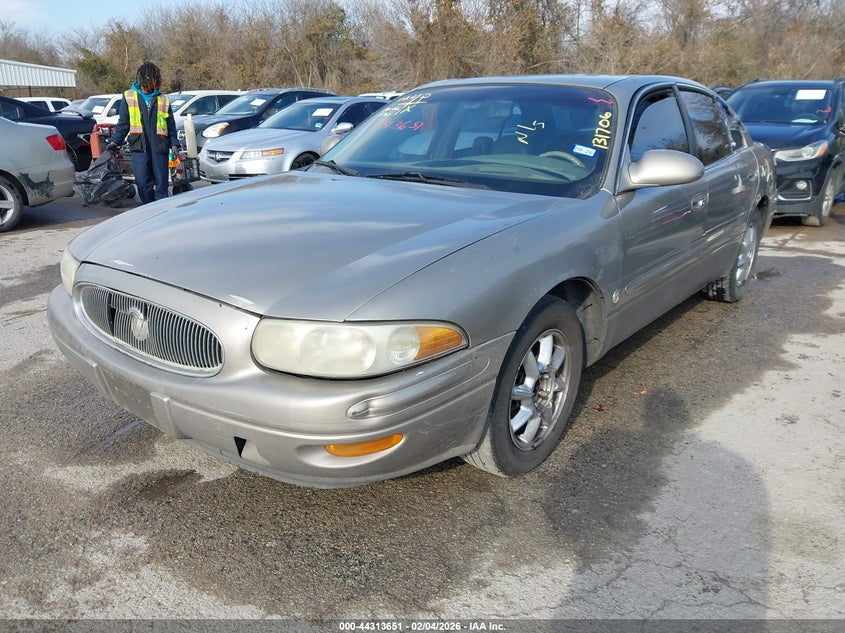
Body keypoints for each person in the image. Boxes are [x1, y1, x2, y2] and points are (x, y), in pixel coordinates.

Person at [109, 62, 180, 204]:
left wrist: (174, 143)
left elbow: (170, 126)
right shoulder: (129, 97)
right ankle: (150, 207)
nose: (153, 84)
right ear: (143, 80)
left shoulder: (163, 99)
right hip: (139, 148)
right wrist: (114, 141)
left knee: (161, 184)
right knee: (142, 183)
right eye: (151, 81)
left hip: (160, 148)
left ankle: (161, 211)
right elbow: (124, 124)